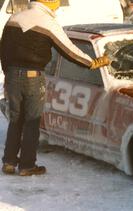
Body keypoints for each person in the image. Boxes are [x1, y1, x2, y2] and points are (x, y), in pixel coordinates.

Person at [0, 0, 110, 176]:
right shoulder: (48, 23)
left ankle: (9, 162)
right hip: (33, 77)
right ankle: (27, 165)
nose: (59, 5)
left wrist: (8, 74)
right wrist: (92, 63)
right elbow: (70, 50)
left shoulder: (15, 18)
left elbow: (3, 50)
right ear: (49, 3)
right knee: (32, 121)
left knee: (15, 119)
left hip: (12, 75)